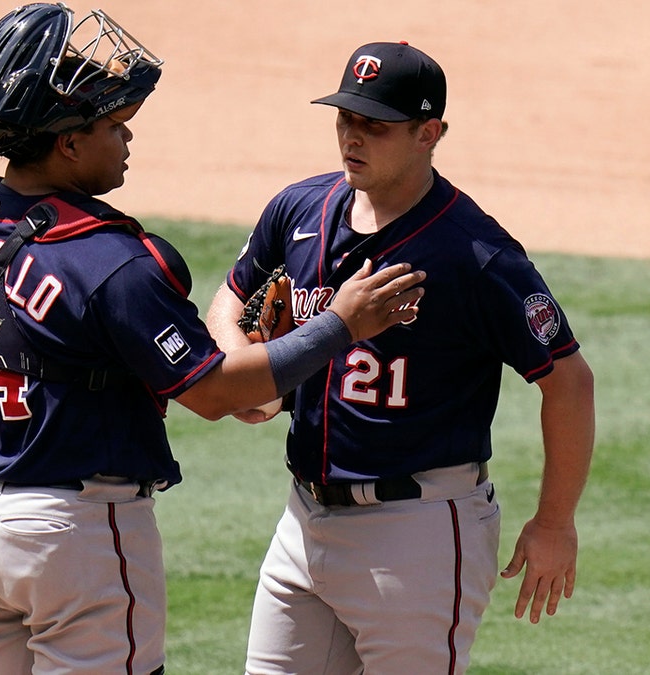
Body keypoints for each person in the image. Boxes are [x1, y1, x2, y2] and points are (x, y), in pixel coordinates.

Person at [0, 6, 426, 674]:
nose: (126, 141)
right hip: (72, 533)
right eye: (115, 127)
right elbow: (212, 392)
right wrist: (340, 323)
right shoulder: (112, 261)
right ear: (68, 144)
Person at [205, 41, 596, 674]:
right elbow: (231, 296)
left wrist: (555, 524)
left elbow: (570, 382)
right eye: (345, 119)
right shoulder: (301, 208)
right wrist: (254, 376)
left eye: (375, 126)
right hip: (302, 522)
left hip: (417, 534)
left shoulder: (474, 254)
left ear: (428, 133)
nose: (352, 138)